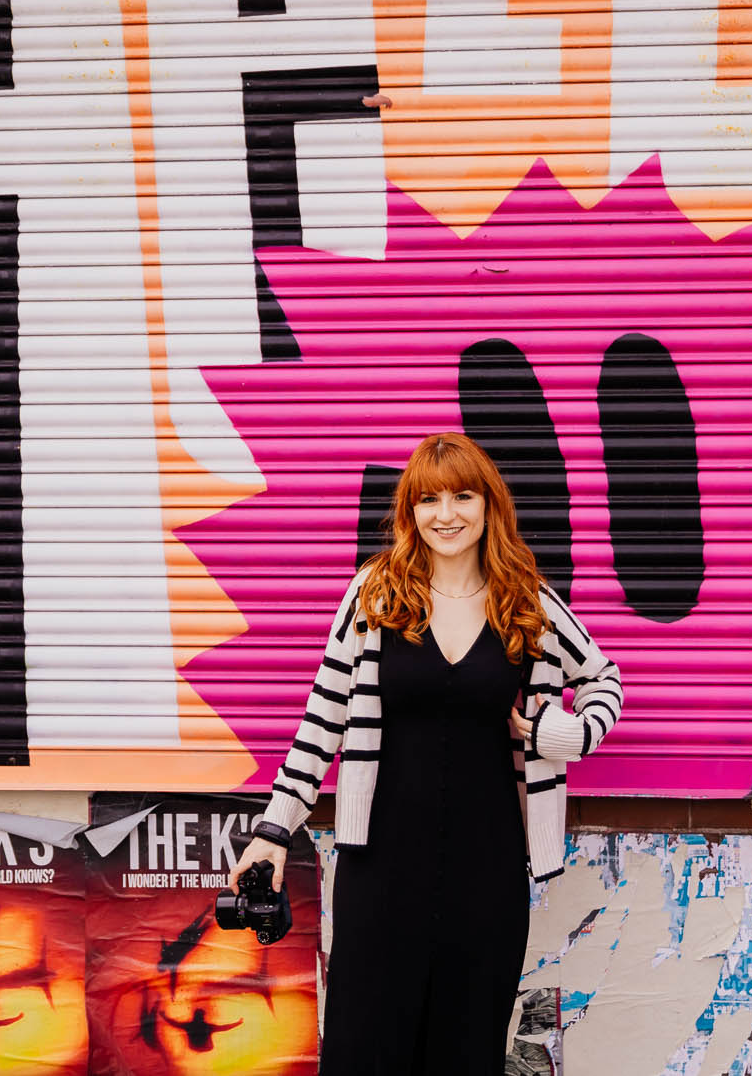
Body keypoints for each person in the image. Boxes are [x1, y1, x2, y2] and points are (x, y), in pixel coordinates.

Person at [227, 432, 622, 1075]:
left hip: (488, 868)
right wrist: (275, 830)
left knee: (466, 1051)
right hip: (381, 863)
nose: (446, 514)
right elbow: (322, 718)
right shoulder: (376, 594)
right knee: (363, 1048)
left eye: (462, 496)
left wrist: (565, 734)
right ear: (410, 511)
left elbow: (604, 680)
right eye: (429, 499)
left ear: (489, 504)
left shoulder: (525, 601)